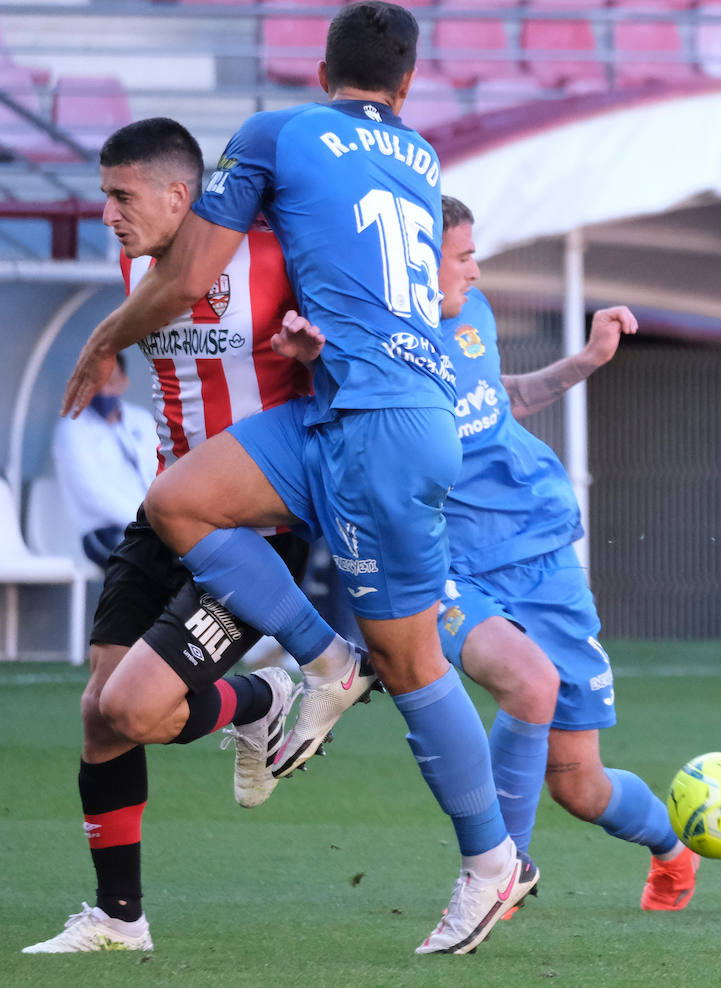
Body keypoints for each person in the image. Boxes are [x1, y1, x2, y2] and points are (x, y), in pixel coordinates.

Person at [59, 3, 533, 955]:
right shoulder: (420, 159)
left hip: (379, 425)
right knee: (176, 500)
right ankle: (321, 664)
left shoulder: (278, 133)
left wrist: (104, 338)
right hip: (354, 409)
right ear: (406, 87)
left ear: (321, 73)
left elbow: (190, 277)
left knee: (413, 665)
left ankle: (491, 863)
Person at [26, 117, 315, 954]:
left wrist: (314, 352)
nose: (108, 214)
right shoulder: (138, 267)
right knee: (101, 714)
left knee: (134, 708)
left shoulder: (277, 254)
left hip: (255, 528)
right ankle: (120, 920)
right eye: (104, 196)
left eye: (122, 196)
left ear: (180, 194)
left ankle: (262, 697)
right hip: (164, 513)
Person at [431, 197, 698, 911]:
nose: (476, 270)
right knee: (527, 681)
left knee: (579, 785)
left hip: (541, 548)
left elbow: (500, 400)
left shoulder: (473, 313)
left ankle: (672, 852)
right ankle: (500, 877)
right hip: (451, 565)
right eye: (463, 256)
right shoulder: (372, 336)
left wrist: (585, 361)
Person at [52, 352, 158, 568]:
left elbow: (161, 472)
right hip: (102, 532)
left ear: (124, 383)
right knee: (155, 559)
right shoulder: (73, 429)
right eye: (95, 383)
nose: (103, 391)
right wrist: (145, 522)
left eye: (110, 383)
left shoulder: (141, 420)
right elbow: (94, 494)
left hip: (151, 525)